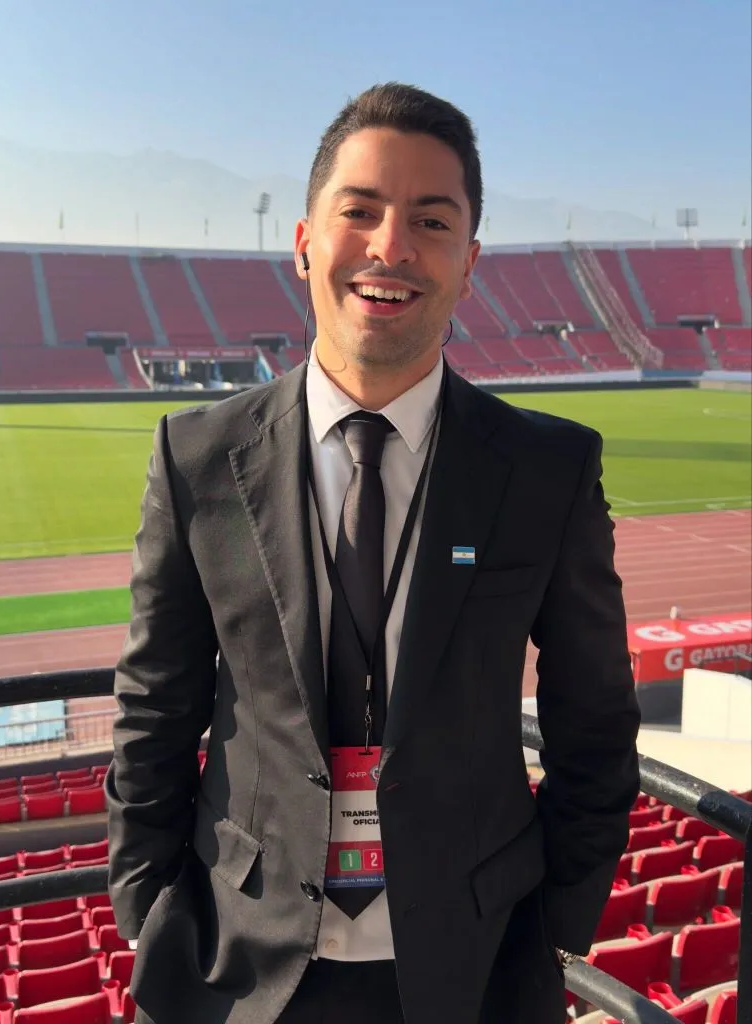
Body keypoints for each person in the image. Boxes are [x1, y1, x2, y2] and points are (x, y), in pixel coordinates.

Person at [105, 82, 641, 1024]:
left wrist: (556, 923)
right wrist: (148, 906)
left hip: (476, 965)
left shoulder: (549, 468)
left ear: (468, 262)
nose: (391, 248)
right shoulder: (196, 457)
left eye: (430, 221)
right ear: (305, 242)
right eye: (360, 211)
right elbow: (157, 705)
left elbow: (593, 715)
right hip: (241, 964)